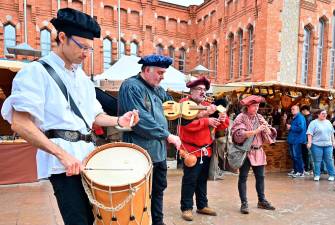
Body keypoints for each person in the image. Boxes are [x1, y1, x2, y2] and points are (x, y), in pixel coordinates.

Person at [0, 8, 139, 225]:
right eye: (82, 46)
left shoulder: (81, 77)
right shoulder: (35, 72)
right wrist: (62, 155)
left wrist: (119, 121)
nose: (86, 53)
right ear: (62, 37)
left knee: (98, 218)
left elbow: (94, 116)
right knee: (78, 221)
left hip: (89, 157)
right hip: (64, 164)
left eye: (90, 49)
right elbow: (20, 123)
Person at [118, 54, 182, 225]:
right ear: (147, 70)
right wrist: (168, 135)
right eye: (160, 73)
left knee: (158, 190)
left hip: (158, 153)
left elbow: (172, 108)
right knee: (138, 194)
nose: (162, 77)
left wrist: (195, 110)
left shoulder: (158, 89)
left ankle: (158, 222)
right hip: (139, 154)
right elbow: (141, 121)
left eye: (164, 73)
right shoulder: (131, 86)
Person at [178, 76, 229, 221]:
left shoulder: (208, 104)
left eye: (204, 89)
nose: (202, 92)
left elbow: (222, 126)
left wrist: (221, 116)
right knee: (190, 180)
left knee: (202, 180)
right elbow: (186, 126)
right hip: (191, 151)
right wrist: (207, 121)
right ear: (191, 90)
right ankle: (186, 208)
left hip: (206, 150)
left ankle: (202, 205)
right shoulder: (184, 104)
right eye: (199, 89)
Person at [231, 95, 277, 214]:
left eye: (257, 106)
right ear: (248, 106)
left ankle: (261, 201)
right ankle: (244, 203)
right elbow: (238, 134)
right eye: (254, 106)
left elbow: (270, 133)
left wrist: (268, 130)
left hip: (258, 151)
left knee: (260, 178)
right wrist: (256, 131)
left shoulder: (260, 117)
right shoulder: (241, 117)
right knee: (243, 178)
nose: (257, 108)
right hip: (246, 152)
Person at [307, 109, 335, 181]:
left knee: (329, 160)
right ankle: (317, 175)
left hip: (328, 145)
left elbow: (332, 133)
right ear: (318, 114)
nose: (324, 115)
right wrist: (309, 143)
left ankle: (332, 175)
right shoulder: (313, 123)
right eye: (323, 113)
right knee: (317, 160)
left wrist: (333, 142)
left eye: (325, 113)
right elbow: (310, 134)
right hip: (316, 145)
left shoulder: (328, 122)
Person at [287, 105, 307, 178]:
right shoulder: (294, 118)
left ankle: (301, 172)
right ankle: (296, 171)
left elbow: (301, 128)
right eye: (291, 109)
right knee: (293, 157)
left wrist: (291, 127)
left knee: (297, 156)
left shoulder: (300, 117)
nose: (292, 110)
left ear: (298, 110)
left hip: (297, 140)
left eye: (293, 109)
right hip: (292, 140)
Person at [300, 105, 313, 175]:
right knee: (308, 154)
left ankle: (308, 168)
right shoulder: (312, 117)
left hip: (306, 138)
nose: (301, 112)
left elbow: (306, 129)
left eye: (302, 111)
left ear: (304, 110)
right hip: (309, 138)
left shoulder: (306, 118)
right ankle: (310, 169)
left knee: (307, 154)